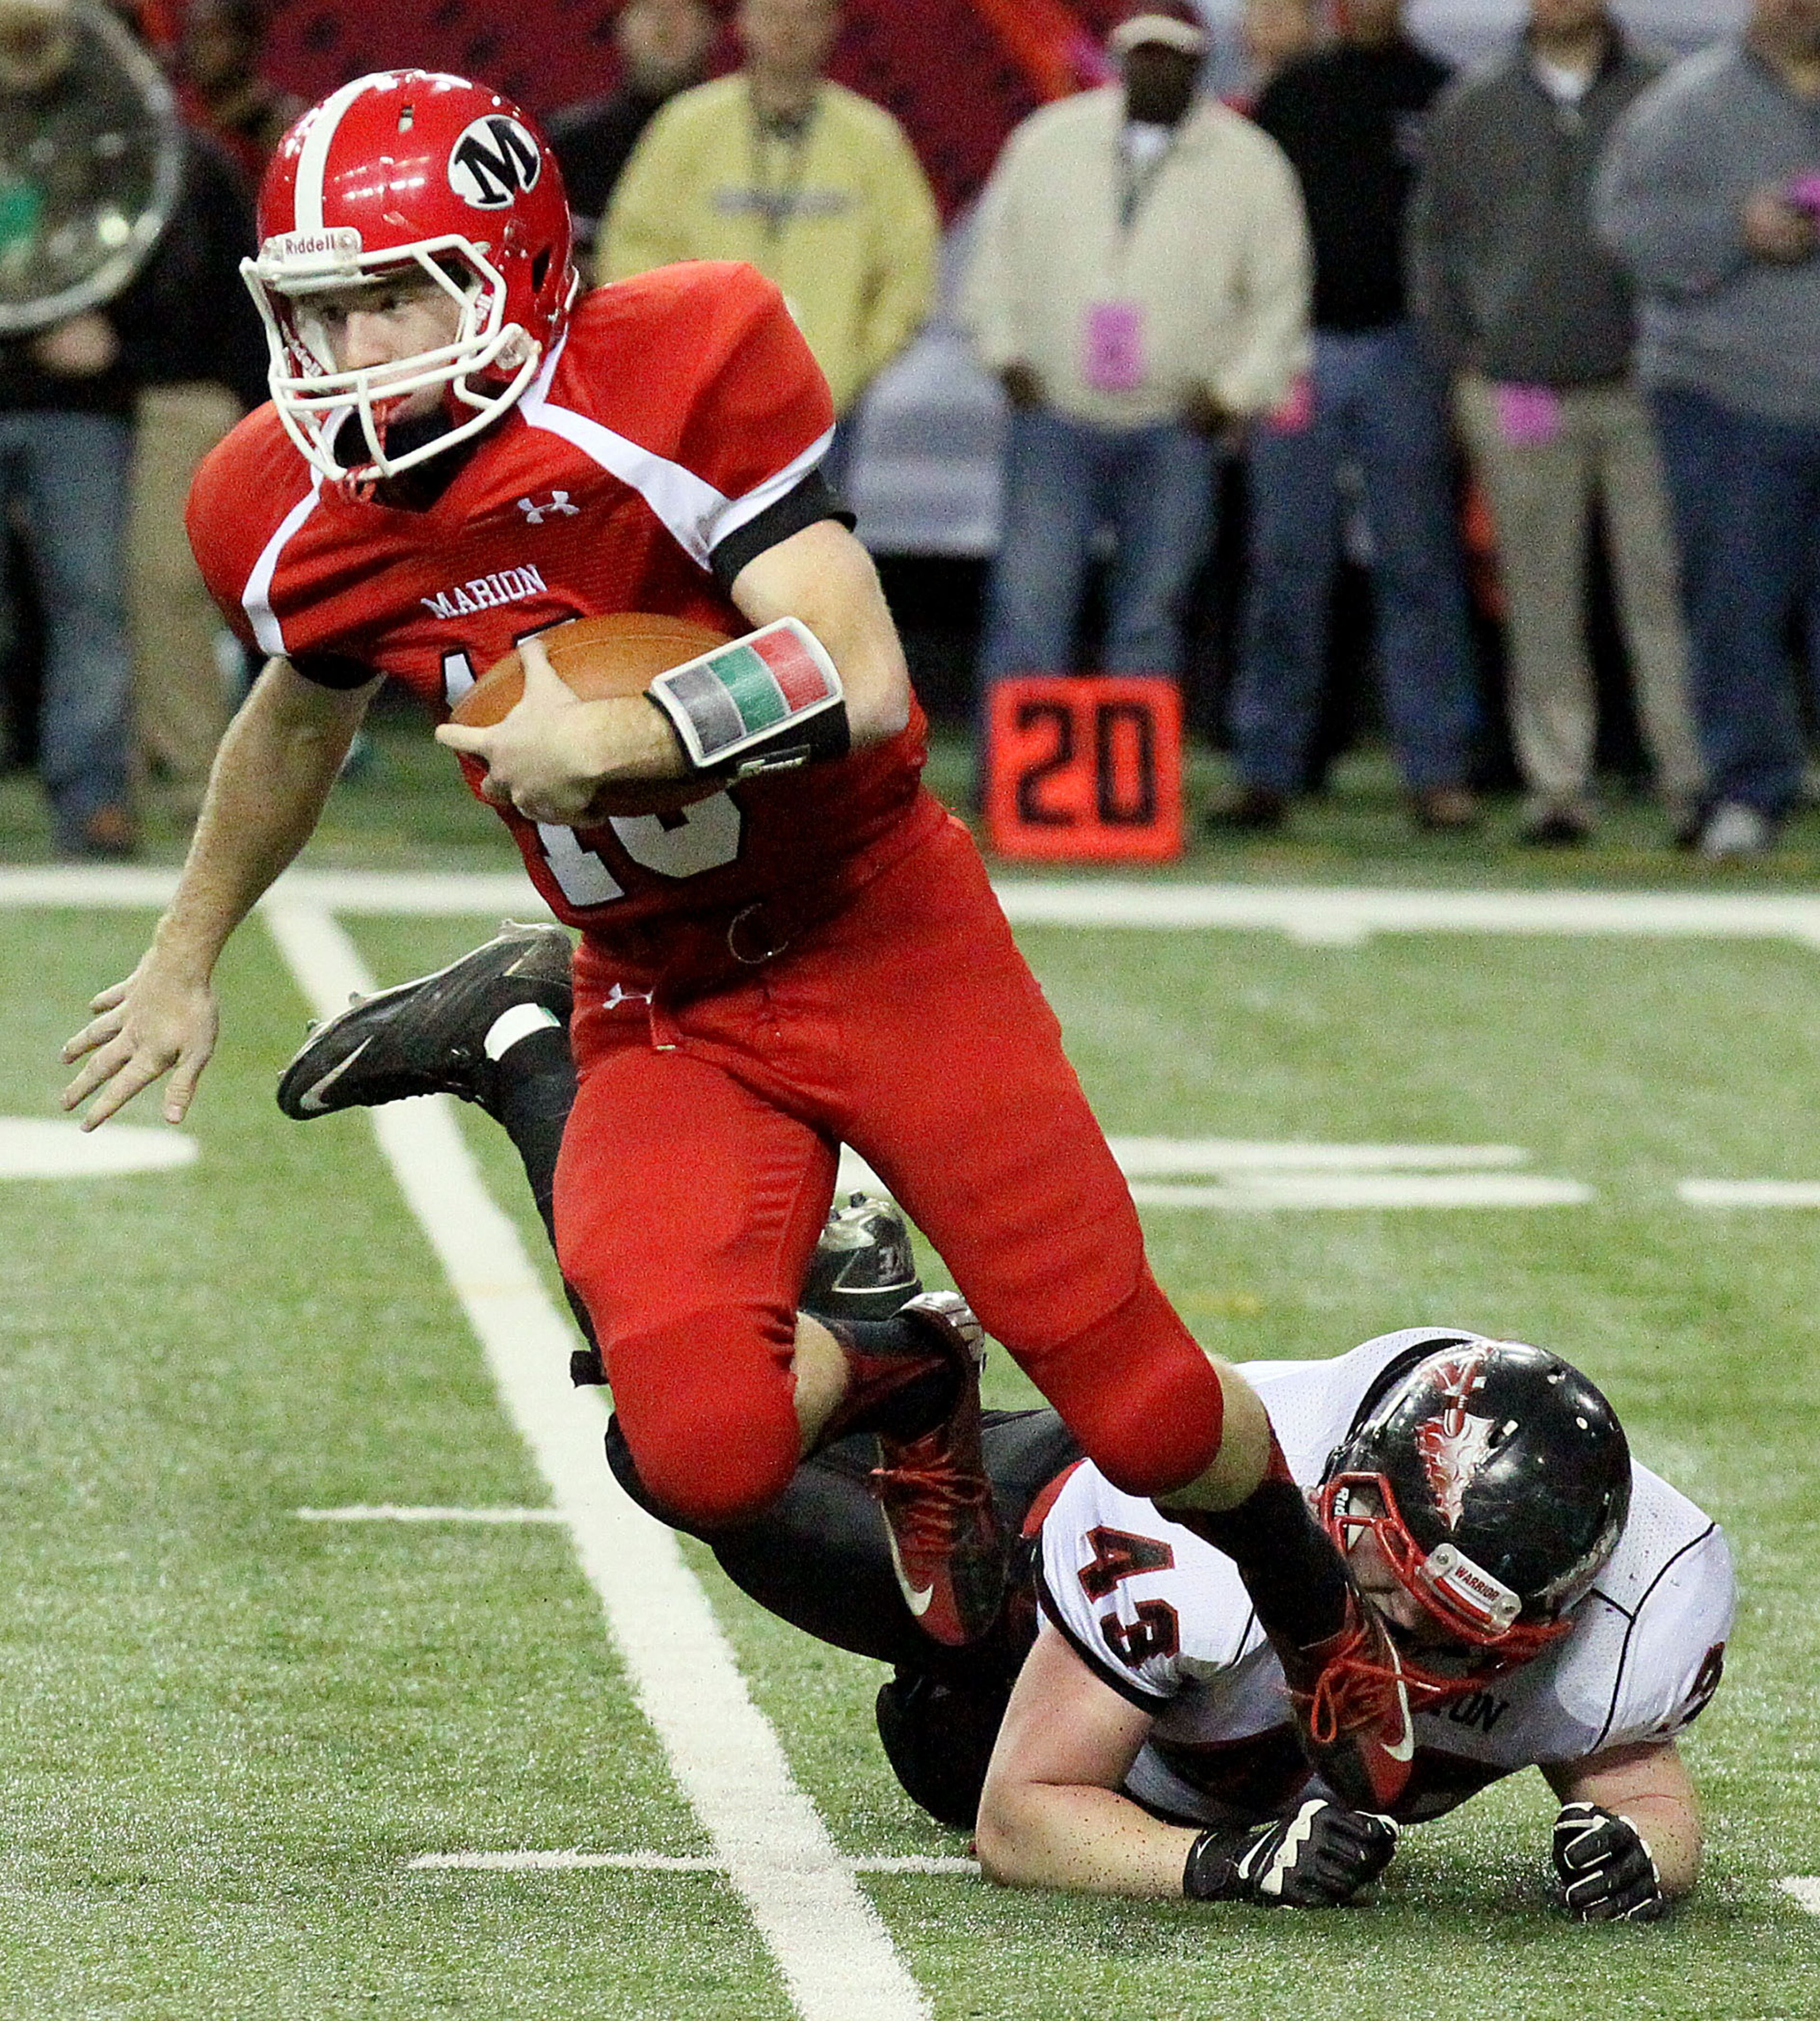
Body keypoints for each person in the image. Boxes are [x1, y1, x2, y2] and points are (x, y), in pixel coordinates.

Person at [59, 72, 1417, 1814]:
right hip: (663, 990)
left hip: (874, 926)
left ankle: (1314, 1612)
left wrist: (620, 741)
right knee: (695, 1445)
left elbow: (858, 673)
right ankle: (905, 1368)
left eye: (391, 295)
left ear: (517, 273)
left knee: (1145, 1407)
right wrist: (187, 949)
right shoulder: (287, 501)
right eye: (315, 309)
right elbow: (296, 719)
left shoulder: (672, 365)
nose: (348, 349)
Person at [266, 933, 1729, 1916]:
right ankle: (536, 1038)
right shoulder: (1199, 1557)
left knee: (908, 1711)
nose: (1391, 1625)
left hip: (1040, 1691)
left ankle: (870, 1331)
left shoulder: (1629, 1600)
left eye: (1428, 1614)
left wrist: (1634, 1854)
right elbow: (1027, 1814)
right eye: (1382, 1583)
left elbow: (1638, 1772)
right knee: (679, 1446)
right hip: (1017, 1575)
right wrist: (1212, 1862)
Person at [1410, 0, 1704, 851]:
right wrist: (1466, 357)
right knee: (1540, 594)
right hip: (1518, 387)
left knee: (1664, 589)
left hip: (1641, 385)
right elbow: (1433, 241)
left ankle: (1690, 779)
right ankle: (1559, 786)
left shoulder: (1663, 93)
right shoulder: (1475, 102)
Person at [962, 0, 1310, 694]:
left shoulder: (1250, 161)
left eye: (1172, 56)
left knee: (1153, 615)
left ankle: (1133, 792)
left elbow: (1282, 297)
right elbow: (993, 256)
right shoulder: (1049, 140)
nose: (1155, 70)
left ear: (1200, 63)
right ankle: (1021, 787)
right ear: (1119, 60)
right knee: (1032, 606)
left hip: (1176, 422)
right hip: (1054, 412)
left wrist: (1230, 397)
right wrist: (1004, 355)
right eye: (1142, 55)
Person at [1220, 0, 1483, 837]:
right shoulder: (1293, 92)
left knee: (1420, 565)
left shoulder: (1444, 92)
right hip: (1300, 352)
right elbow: (1249, 232)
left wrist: (1454, 347)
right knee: (1287, 565)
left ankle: (1438, 771)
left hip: (1407, 352)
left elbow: (1464, 230)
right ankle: (1267, 767)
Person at [1596, 0, 1820, 860]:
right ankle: (1746, 791)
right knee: (1735, 606)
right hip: (1726, 398)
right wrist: (1736, 229)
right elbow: (1625, 231)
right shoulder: (1684, 106)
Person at [601, 0, 938, 464]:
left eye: (806, 16)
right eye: (773, 14)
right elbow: (633, 244)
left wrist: (857, 362)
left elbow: (908, 262)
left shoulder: (871, 138)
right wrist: (680, 353)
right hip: (703, 399)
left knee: (816, 538)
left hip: (823, 404)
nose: (788, 31)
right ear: (741, 23)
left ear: (832, 26)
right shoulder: (687, 126)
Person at [546, 0, 719, 259]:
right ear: (621, 28)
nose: (665, 27)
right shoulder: (570, 146)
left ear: (710, 29)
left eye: (682, 10)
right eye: (651, 10)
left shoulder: (743, 138)